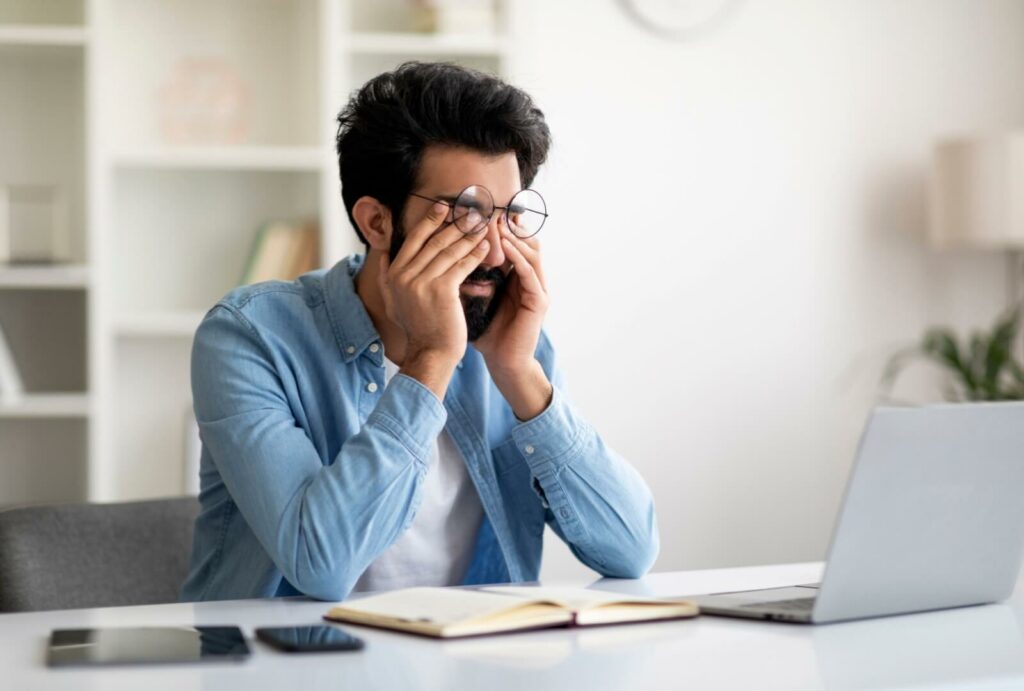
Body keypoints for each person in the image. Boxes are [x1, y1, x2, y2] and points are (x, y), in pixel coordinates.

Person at [180, 62, 659, 602]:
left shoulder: (512, 341)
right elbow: (320, 563)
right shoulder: (251, 338)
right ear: (377, 223)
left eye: (509, 214)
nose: (499, 251)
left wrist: (520, 373)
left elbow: (631, 551)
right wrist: (431, 360)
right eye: (466, 215)